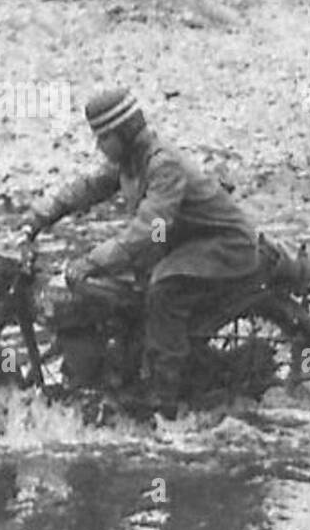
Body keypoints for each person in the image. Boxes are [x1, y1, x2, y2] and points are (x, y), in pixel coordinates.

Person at [18, 88, 265, 417]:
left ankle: (164, 399)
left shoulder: (162, 165)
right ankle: (123, 366)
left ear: (124, 132)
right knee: (120, 291)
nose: (99, 146)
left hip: (223, 244)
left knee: (164, 289)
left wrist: (92, 261)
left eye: (103, 137)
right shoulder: (130, 162)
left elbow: (153, 227)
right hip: (183, 241)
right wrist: (38, 217)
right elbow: (87, 189)